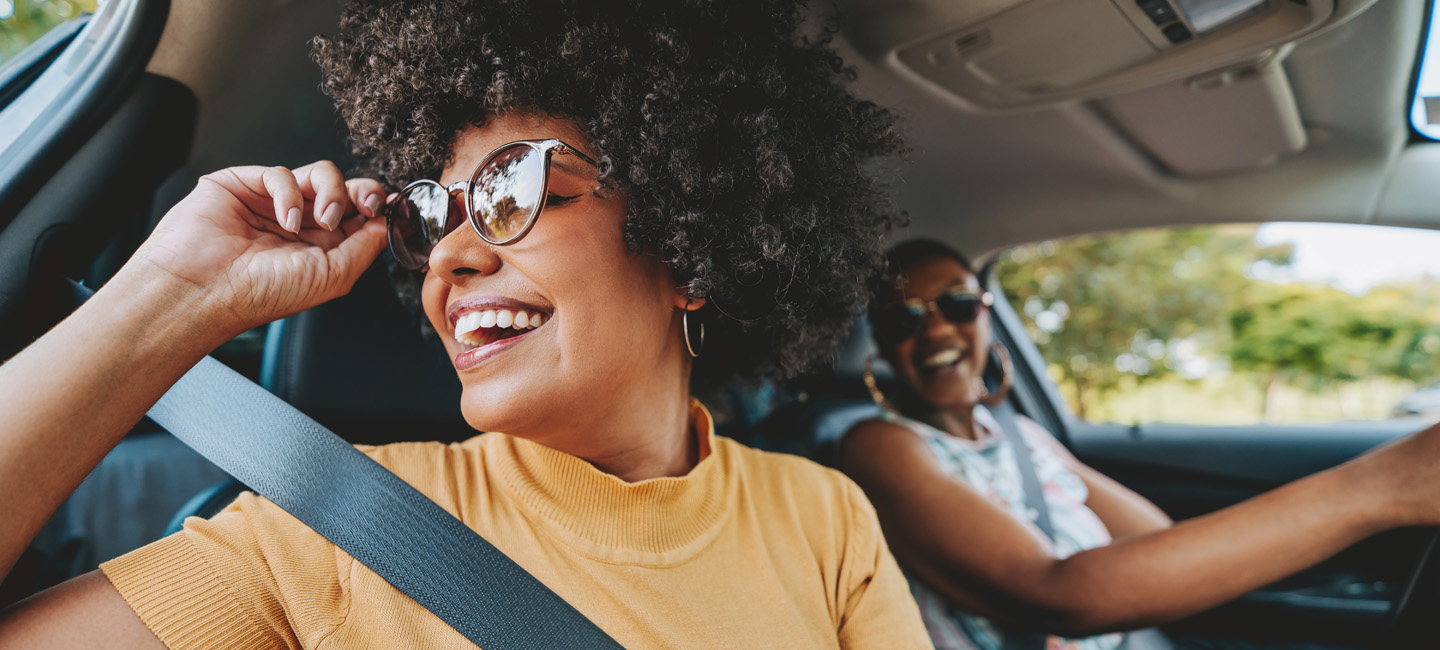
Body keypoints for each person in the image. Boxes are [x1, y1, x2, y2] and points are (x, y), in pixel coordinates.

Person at [0, 1, 933, 647]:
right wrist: (169, 296)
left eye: (513, 189)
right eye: (432, 218)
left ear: (690, 248)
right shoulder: (335, 528)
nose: (449, 256)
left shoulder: (824, 519)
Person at [840, 238, 1440, 650]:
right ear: (884, 348)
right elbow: (1058, 594)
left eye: (958, 303)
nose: (937, 328)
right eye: (903, 319)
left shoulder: (1019, 436)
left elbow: (1154, 541)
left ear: (986, 315)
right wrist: (1379, 489)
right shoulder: (879, 447)